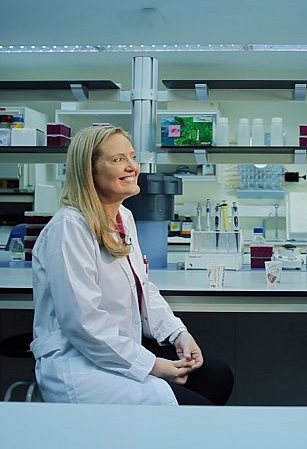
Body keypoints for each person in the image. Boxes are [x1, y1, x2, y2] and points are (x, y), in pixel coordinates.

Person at [31, 124, 233, 405]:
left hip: (116, 348)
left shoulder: (122, 216)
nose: (132, 167)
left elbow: (142, 288)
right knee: (196, 408)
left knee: (216, 375)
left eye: (132, 157)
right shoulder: (70, 228)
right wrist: (154, 365)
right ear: (88, 171)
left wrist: (177, 333)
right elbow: (83, 324)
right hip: (80, 363)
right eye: (117, 160)